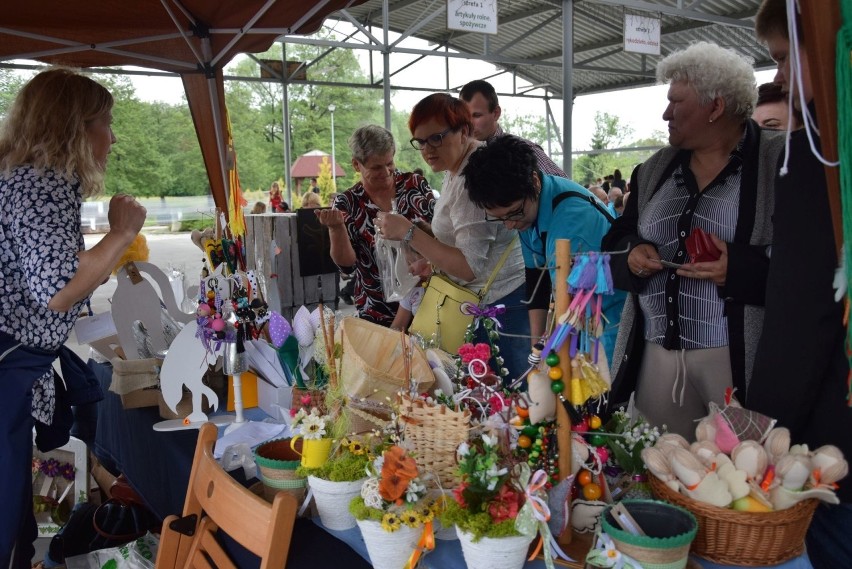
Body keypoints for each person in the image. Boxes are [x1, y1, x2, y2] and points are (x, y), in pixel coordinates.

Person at [0, 67, 147, 567]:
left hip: (19, 363)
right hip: (10, 368)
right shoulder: (41, 183)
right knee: (7, 510)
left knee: (20, 504)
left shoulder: (23, 179)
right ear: (74, 128)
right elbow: (59, 290)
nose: (113, 136)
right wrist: (122, 233)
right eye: (105, 122)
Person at [601, 41, 785, 439]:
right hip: (657, 354)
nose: (666, 113)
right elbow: (616, 235)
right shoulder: (652, 171)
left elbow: (809, 260)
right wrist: (632, 252)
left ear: (715, 107)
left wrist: (737, 268)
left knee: (743, 475)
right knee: (661, 469)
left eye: (676, 102)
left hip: (735, 358)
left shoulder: (776, 163)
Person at [749, 2, 852, 566]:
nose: (781, 78)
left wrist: (765, 433)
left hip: (835, 437)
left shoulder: (822, 151)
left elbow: (802, 311)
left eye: (786, 58)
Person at [377, 93, 530, 380]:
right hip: (481, 304)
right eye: (420, 141)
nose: (427, 149)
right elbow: (460, 243)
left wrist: (409, 232)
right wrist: (429, 259)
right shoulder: (455, 168)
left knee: (505, 403)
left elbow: (469, 267)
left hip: (498, 309)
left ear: (464, 131)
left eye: (436, 138)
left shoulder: (473, 176)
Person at [464, 135, 626, 365]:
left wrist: (549, 359)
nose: (510, 224)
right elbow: (536, 280)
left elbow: (569, 308)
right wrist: (535, 349)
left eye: (513, 213)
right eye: (499, 218)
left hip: (606, 329)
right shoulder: (528, 209)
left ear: (534, 181)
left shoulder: (571, 222)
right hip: (578, 322)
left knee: (591, 393)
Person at [315, 124, 435, 326]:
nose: (387, 172)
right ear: (356, 165)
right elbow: (347, 265)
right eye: (376, 167)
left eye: (390, 163)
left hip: (427, 299)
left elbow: (440, 233)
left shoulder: (415, 185)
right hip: (376, 309)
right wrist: (336, 228)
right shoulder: (348, 202)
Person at [459, 79, 567, 178]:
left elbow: (566, 189)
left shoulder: (524, 151)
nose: (469, 124)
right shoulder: (461, 155)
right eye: (465, 117)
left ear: (496, 113)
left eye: (476, 115)